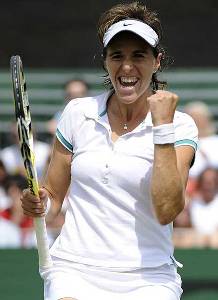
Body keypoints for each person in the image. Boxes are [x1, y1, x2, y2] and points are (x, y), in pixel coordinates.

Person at [21, 2, 198, 300]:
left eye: (138, 55)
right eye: (117, 55)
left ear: (157, 61)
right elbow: (52, 193)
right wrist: (40, 204)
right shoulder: (77, 113)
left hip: (150, 277)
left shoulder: (180, 126)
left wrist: (163, 128)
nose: (127, 66)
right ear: (105, 62)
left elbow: (167, 210)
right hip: (74, 269)